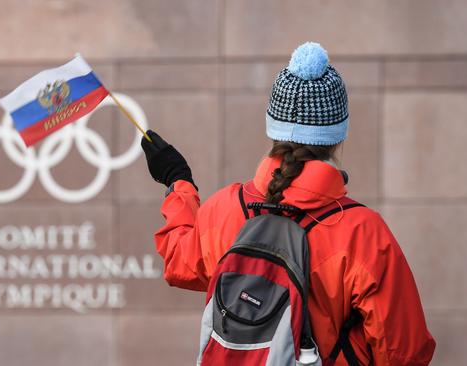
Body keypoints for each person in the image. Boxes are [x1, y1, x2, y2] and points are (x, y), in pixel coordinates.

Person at [140, 42, 435, 365]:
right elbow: (404, 351)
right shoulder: (361, 232)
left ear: (272, 127)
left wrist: (179, 182)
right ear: (337, 136)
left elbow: (180, 263)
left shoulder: (226, 207)